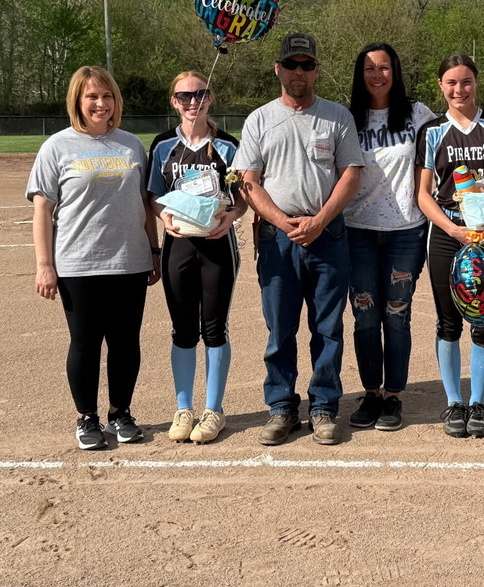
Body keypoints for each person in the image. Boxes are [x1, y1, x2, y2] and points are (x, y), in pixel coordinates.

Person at [232, 32, 364, 446]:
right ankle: (282, 408)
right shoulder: (259, 119)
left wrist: (321, 220)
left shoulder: (337, 116)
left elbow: (351, 174)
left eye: (307, 65)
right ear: (278, 69)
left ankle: (323, 407)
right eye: (292, 65)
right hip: (278, 237)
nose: (299, 73)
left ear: (317, 71)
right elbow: (248, 181)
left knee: (328, 327)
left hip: (327, 234)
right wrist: (284, 222)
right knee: (280, 328)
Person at [27, 65, 160, 450]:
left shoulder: (132, 145)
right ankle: (87, 418)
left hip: (129, 261)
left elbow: (144, 204)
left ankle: (121, 413)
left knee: (125, 342)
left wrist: (153, 249)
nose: (101, 103)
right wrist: (44, 264)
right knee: (85, 343)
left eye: (107, 96)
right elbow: (42, 211)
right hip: (78, 263)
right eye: (92, 97)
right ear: (78, 102)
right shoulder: (57, 146)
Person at [415, 52, 484, 438]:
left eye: (465, 81)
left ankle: (478, 401)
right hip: (450, 235)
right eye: (451, 82)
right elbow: (424, 194)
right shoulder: (431, 131)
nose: (459, 89)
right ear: (441, 86)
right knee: (448, 322)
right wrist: (452, 229)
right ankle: (453, 403)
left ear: (476, 83)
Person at [148, 72, 246, 444]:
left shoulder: (227, 146)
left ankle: (213, 410)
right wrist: (164, 217)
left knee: (214, 328)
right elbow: (154, 196)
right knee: (183, 329)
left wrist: (230, 219)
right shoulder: (161, 146)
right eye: (184, 95)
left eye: (200, 94)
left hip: (218, 246)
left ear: (211, 97)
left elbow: (242, 197)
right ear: (174, 101)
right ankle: (184, 407)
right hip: (179, 247)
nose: (193, 102)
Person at [343, 43, 437, 432]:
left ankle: (394, 395)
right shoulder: (347, 117)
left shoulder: (417, 115)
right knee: (365, 315)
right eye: (368, 68)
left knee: (396, 316)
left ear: (395, 71)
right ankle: (371, 392)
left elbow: (442, 159)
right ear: (359, 74)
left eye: (384, 67)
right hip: (357, 231)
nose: (376, 74)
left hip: (405, 233)